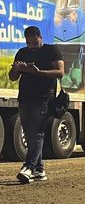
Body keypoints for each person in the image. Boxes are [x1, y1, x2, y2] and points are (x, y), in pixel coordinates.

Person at [10, 26, 64, 184]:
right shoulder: (22, 52)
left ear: (40, 37)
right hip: (25, 98)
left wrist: (38, 72)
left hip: (45, 98)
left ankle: (28, 167)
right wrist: (17, 69)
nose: (32, 45)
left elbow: (60, 72)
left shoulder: (51, 50)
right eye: (29, 43)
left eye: (34, 42)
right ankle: (39, 170)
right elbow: (13, 77)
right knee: (29, 134)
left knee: (38, 132)